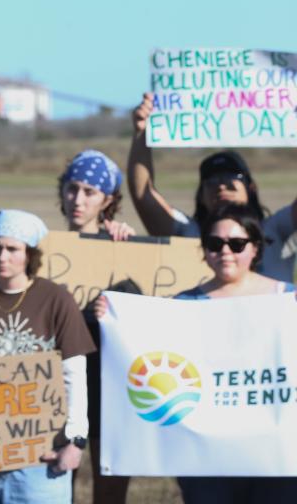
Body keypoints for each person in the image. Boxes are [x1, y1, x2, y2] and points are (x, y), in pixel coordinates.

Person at [95, 203, 297, 503]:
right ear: (204, 251)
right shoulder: (182, 304)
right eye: (215, 244)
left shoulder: (288, 300)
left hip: (275, 454)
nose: (225, 251)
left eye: (237, 243)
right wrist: (112, 317)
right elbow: (147, 348)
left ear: (255, 248)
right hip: (205, 458)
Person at [0, 209, 95, 503]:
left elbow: (74, 374)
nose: (2, 256)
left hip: (41, 453)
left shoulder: (55, 300)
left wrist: (76, 441)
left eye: (13, 249)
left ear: (29, 255)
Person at [127, 92, 296, 281]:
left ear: (251, 188)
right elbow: (144, 195)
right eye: (211, 181)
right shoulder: (189, 233)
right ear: (200, 195)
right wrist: (142, 133)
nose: (222, 186)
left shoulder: (275, 229)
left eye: (232, 178)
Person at [58, 149, 134, 504]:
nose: (78, 199)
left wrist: (128, 245)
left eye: (90, 192)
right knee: (58, 477)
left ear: (108, 200)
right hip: (62, 378)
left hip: (110, 377)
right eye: (72, 189)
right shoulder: (45, 250)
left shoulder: (125, 246)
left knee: (110, 482)